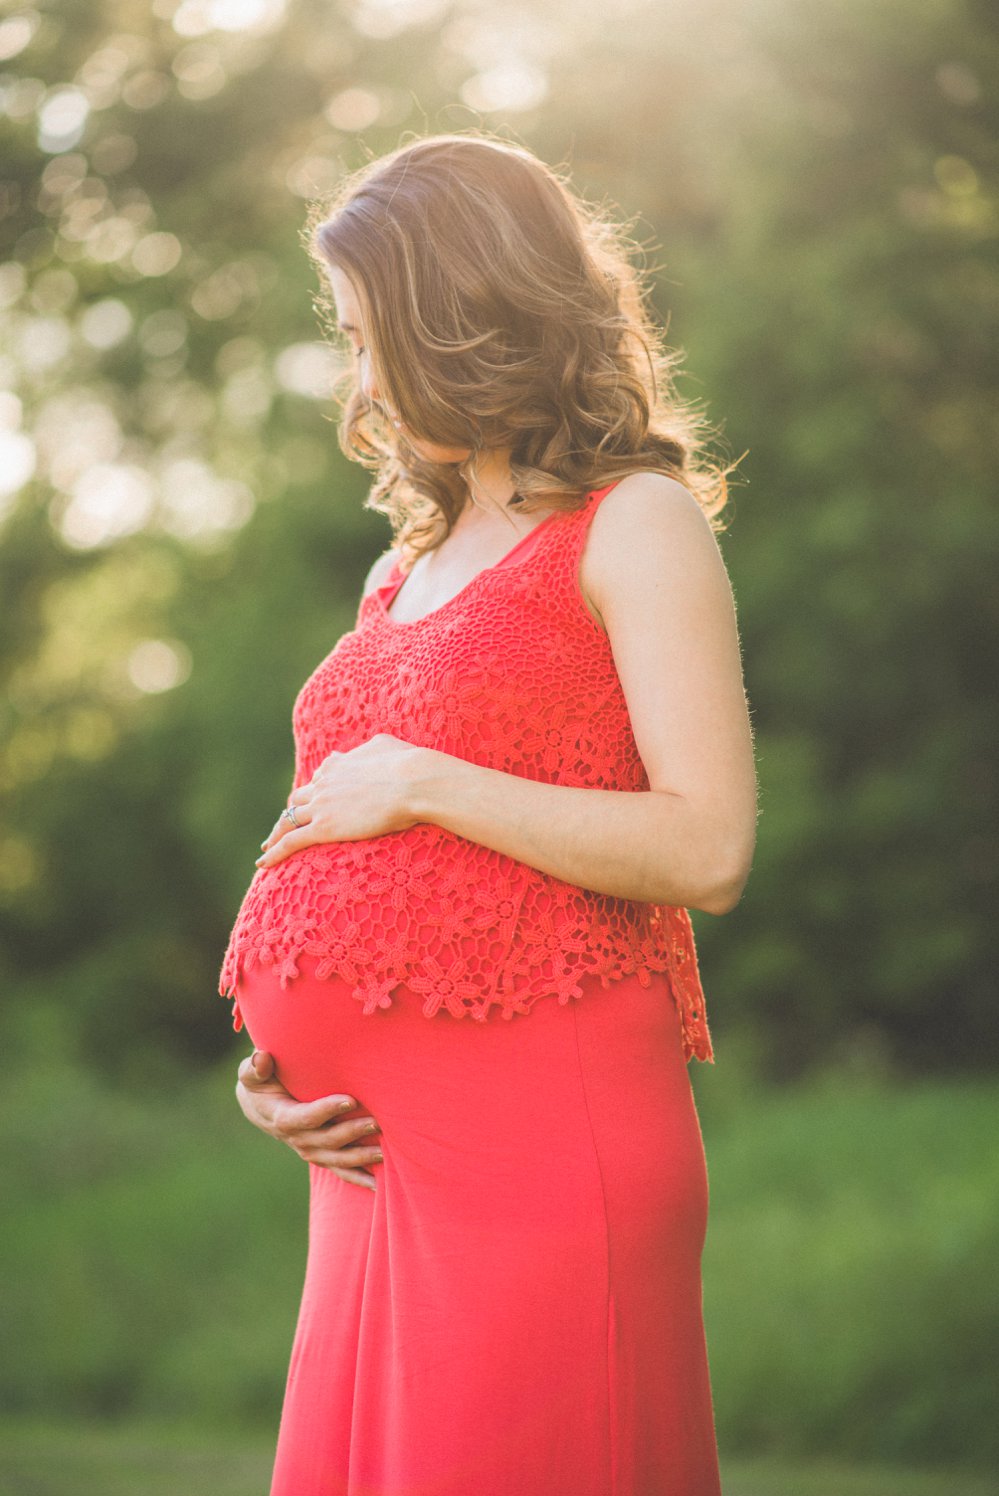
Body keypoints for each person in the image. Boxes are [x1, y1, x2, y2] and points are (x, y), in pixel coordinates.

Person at [219, 131, 758, 1496]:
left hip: (546, 1139)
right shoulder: (404, 563)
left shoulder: (635, 524)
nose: (355, 378)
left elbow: (709, 846)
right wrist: (283, 1075)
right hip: (368, 1171)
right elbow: (351, 850)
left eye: (367, 335)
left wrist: (424, 779)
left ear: (463, 316)